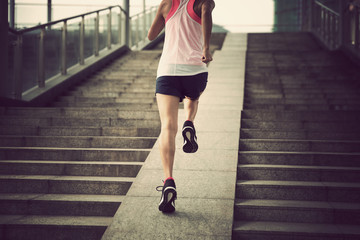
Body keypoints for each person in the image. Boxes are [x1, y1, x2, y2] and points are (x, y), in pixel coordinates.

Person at [148, 0, 215, 213]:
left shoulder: (166, 4)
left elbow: (151, 35)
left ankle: (168, 180)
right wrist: (205, 47)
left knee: (167, 127)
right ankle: (189, 122)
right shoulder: (204, 2)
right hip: (195, 68)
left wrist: (164, 16)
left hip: (168, 69)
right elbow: (206, 14)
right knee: (192, 96)